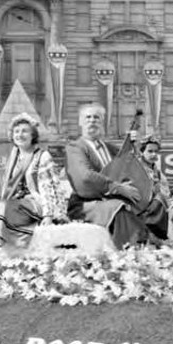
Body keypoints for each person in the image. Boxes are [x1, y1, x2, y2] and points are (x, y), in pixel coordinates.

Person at [0, 114, 69, 253]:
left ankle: (6, 245)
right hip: (16, 202)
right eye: (16, 131)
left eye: (24, 131)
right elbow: (7, 183)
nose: (20, 135)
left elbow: (48, 187)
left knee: (5, 208)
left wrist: (48, 215)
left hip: (36, 202)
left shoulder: (42, 156)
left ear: (32, 135)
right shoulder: (14, 157)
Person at [64, 103, 148, 248]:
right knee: (119, 208)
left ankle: (151, 245)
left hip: (109, 200)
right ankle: (127, 252)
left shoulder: (111, 149)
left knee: (147, 205)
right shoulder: (75, 148)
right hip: (84, 204)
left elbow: (131, 169)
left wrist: (135, 147)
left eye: (96, 117)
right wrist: (116, 187)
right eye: (88, 117)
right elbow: (84, 177)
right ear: (80, 122)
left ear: (102, 122)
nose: (92, 120)